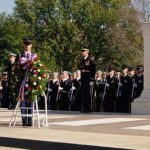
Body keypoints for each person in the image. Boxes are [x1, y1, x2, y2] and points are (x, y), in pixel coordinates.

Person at [17, 38, 36, 126]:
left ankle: (30, 119)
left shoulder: (34, 56)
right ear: (24, 45)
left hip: (32, 80)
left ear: (31, 45)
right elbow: (18, 67)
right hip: (23, 80)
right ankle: (24, 120)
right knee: (23, 99)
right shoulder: (20, 55)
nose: (27, 46)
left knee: (31, 99)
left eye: (29, 44)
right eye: (26, 44)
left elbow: (37, 68)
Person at [79, 47, 96, 113]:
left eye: (84, 51)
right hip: (83, 79)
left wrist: (92, 79)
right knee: (84, 94)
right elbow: (81, 69)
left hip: (89, 79)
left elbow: (93, 70)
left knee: (88, 94)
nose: (82, 52)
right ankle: (84, 108)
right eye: (82, 51)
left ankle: (89, 108)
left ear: (87, 51)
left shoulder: (91, 59)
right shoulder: (81, 60)